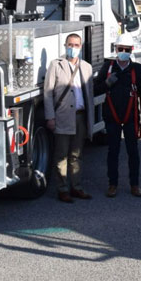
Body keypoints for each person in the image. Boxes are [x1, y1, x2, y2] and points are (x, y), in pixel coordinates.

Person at [42, 32, 95, 203]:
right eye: (70, 45)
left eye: (76, 45)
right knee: (61, 155)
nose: (73, 48)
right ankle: (62, 189)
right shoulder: (56, 65)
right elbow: (48, 93)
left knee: (77, 155)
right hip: (63, 116)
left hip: (80, 116)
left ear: (81, 47)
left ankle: (76, 187)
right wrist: (50, 116)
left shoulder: (86, 67)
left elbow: (90, 94)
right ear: (65, 46)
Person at [97, 33, 141, 198]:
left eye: (126, 49)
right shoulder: (108, 68)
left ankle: (134, 184)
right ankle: (112, 184)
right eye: (120, 49)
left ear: (131, 50)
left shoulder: (137, 70)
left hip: (131, 117)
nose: (123, 52)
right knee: (113, 151)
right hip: (112, 116)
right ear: (116, 49)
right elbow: (95, 89)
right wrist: (106, 83)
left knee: (132, 151)